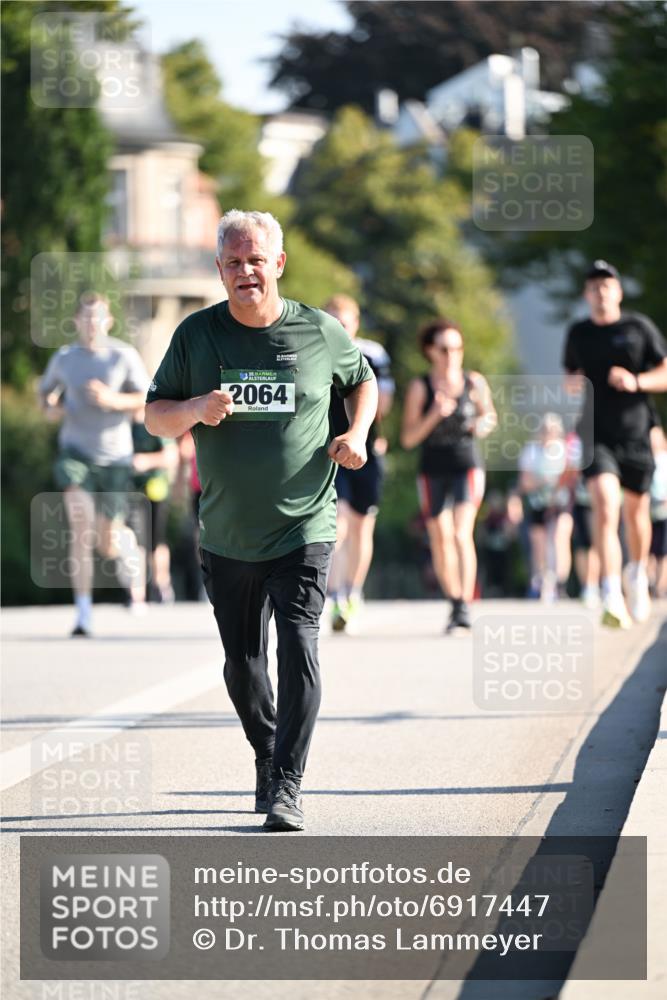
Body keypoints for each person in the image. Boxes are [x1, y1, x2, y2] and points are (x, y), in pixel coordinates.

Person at [144, 210, 377, 831]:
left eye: (256, 260)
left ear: (277, 263)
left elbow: (363, 381)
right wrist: (194, 406)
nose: (245, 272)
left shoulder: (319, 330)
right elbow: (154, 417)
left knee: (299, 645)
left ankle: (289, 783)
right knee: (244, 666)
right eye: (233, 262)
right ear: (219, 270)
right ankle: (267, 754)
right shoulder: (197, 336)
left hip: (305, 523)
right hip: (227, 533)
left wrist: (355, 433)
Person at [38, 292, 150, 636]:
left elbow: (148, 401)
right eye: (85, 318)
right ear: (76, 322)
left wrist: (112, 399)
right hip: (76, 454)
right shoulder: (65, 358)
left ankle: (127, 545)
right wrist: (52, 408)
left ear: (109, 321)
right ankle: (83, 614)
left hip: (115, 458)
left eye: (97, 317)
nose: (91, 324)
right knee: (80, 525)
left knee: (107, 541)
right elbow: (45, 395)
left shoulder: (123, 356)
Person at [563, 260, 667, 627]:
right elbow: (571, 372)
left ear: (618, 292)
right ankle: (611, 591)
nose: (600, 292)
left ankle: (635, 576)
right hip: (595, 434)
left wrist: (637, 381)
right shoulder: (578, 332)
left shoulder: (639, 328)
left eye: (606, 285)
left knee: (636, 515)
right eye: (593, 287)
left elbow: (665, 371)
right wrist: (572, 383)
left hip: (636, 432)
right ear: (585, 295)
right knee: (605, 507)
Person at [401, 318, 496, 632]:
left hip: (466, 465)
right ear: (431, 351)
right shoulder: (421, 386)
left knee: (460, 532)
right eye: (444, 348)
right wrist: (433, 415)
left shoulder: (474, 382)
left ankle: (466, 603)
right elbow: (408, 438)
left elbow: (489, 416)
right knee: (440, 538)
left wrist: (480, 426)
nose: (452, 354)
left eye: (457, 347)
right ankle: (454, 601)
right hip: (432, 469)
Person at [324, 294, 394, 632]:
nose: (338, 328)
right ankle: (333, 594)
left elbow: (385, 401)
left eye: (344, 322)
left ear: (355, 324)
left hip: (366, 450)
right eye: (331, 321)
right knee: (336, 522)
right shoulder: (314, 353)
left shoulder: (373, 354)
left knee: (361, 525)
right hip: (327, 450)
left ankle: (353, 591)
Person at [518, 413, 573, 602]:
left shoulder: (564, 449)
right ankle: (541, 581)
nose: (548, 434)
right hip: (537, 503)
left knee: (559, 538)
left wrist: (556, 485)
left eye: (552, 431)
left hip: (560, 502)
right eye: (545, 431)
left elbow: (571, 476)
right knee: (539, 544)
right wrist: (543, 481)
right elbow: (525, 482)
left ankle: (560, 582)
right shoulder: (531, 451)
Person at [129, 407, 179, 603]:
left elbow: (171, 455)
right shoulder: (124, 426)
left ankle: (162, 585)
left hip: (155, 488)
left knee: (155, 541)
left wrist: (145, 461)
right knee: (135, 541)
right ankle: (137, 592)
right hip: (131, 490)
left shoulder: (152, 423)